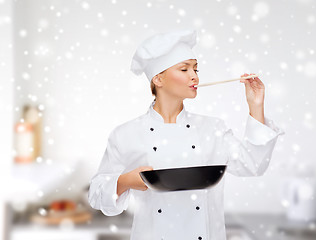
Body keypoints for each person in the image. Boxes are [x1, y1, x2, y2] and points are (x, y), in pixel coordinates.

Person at [88, 29, 285, 240]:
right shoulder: (126, 134)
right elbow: (97, 195)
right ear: (158, 79)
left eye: (196, 69)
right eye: (184, 69)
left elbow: (253, 165)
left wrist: (256, 106)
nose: (195, 76)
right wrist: (124, 181)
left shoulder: (213, 128)